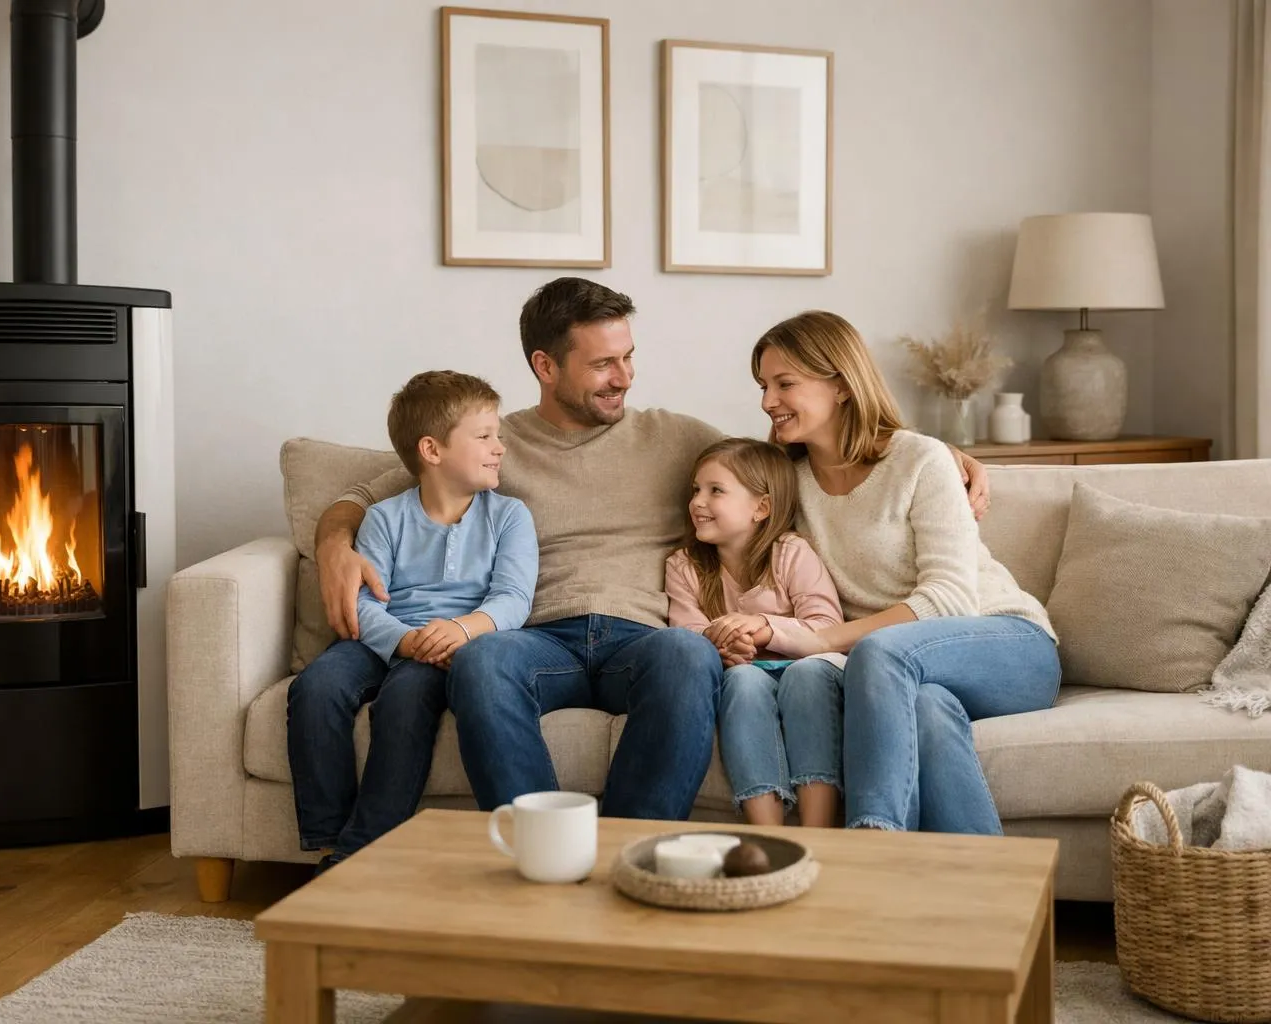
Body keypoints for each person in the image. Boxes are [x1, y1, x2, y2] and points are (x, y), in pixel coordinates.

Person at [311, 278, 992, 822]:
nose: (624, 376)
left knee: (687, 652)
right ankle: (543, 847)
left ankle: (630, 849)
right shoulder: (493, 442)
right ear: (544, 366)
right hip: (539, 637)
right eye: (603, 363)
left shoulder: (676, 436)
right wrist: (337, 540)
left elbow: (782, 457)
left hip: (646, 638)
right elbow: (372, 489)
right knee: (482, 660)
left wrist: (934, 453)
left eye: (628, 356)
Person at [750, 310, 1059, 835]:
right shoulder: (786, 482)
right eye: (762, 386)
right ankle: (991, 899)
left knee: (879, 651)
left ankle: (873, 843)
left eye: (785, 384)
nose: (767, 401)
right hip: (906, 674)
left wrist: (821, 638)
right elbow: (717, 469)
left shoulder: (919, 459)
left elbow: (949, 600)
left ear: (842, 386)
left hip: (1007, 642)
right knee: (930, 714)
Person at [287, 370, 537, 871]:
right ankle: (327, 839)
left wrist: (461, 631)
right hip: (387, 638)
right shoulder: (383, 518)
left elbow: (513, 599)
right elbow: (362, 605)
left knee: (403, 700)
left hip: (452, 646)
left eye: (499, 436)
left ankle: (363, 850)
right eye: (485, 436)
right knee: (314, 688)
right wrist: (405, 641)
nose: (500, 448)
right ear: (432, 449)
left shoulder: (509, 516)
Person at [665, 437, 844, 828]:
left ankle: (820, 831)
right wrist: (724, 647)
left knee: (808, 674)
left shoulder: (790, 553)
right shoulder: (685, 566)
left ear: (761, 507)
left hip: (804, 670)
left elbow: (826, 627)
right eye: (696, 490)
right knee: (743, 681)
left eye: (716, 491)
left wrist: (763, 630)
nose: (697, 502)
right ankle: (769, 831)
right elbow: (688, 633)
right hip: (743, 675)